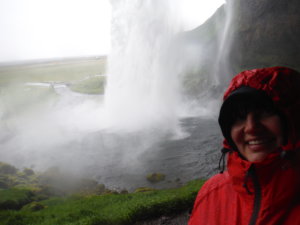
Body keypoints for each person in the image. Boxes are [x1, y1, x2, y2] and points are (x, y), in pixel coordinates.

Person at [188, 67, 300, 225]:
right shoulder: (212, 193)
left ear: (294, 119)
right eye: (239, 118)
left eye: (265, 112)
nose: (251, 127)